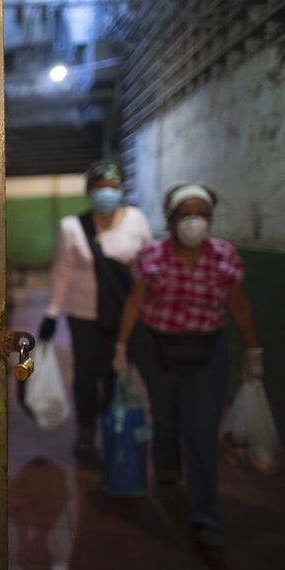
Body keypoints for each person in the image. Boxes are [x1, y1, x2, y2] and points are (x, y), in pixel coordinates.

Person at [112, 183, 263, 548]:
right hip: (157, 349)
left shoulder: (225, 257)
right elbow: (135, 303)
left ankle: (205, 513)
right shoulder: (151, 257)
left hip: (206, 353)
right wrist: (121, 347)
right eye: (186, 214)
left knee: (200, 428)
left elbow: (239, 306)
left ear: (210, 219)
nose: (194, 221)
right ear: (171, 219)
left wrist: (253, 351)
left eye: (201, 214)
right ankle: (166, 469)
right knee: (164, 415)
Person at [37, 160, 152, 459]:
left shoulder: (137, 221)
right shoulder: (72, 227)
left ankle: (112, 425)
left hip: (125, 316)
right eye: (100, 187)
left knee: (118, 373)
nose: (107, 193)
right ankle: (86, 431)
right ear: (89, 191)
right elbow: (62, 272)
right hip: (83, 316)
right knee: (86, 376)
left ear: (122, 189)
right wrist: (52, 313)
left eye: (113, 187)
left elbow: (150, 267)